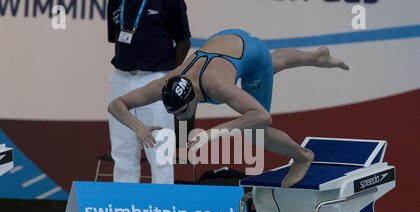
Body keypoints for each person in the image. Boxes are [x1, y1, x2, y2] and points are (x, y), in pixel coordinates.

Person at [108, 29, 349, 188]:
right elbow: (116, 105)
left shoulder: (216, 85)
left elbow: (262, 117)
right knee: (276, 62)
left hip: (249, 55)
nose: (180, 117)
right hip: (228, 42)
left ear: (195, 98)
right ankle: (317, 57)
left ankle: (302, 156)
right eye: (174, 113)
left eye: (183, 111)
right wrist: (138, 127)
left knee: (255, 132)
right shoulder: (165, 83)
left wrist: (216, 132)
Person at [106, 0, 191, 184]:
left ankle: (161, 208)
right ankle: (124, 208)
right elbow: (118, 37)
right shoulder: (115, 1)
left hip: (155, 78)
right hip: (121, 77)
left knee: (160, 150)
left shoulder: (171, 2)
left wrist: (169, 74)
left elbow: (184, 41)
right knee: (122, 150)